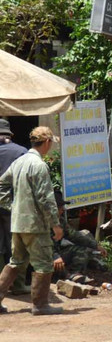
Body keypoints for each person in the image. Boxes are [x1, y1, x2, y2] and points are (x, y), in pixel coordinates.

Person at [0, 126, 64, 315]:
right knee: (44, 264)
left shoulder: (19, 162)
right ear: (46, 142)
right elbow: (46, 198)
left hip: (18, 223)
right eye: (51, 142)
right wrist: (55, 224)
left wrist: (13, 207)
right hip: (35, 225)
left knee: (16, 262)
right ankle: (40, 304)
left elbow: (1, 185)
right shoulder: (39, 165)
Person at [0, 118, 28, 294]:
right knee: (17, 246)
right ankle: (17, 285)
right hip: (13, 206)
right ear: (11, 134)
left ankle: (1, 286)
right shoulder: (22, 152)